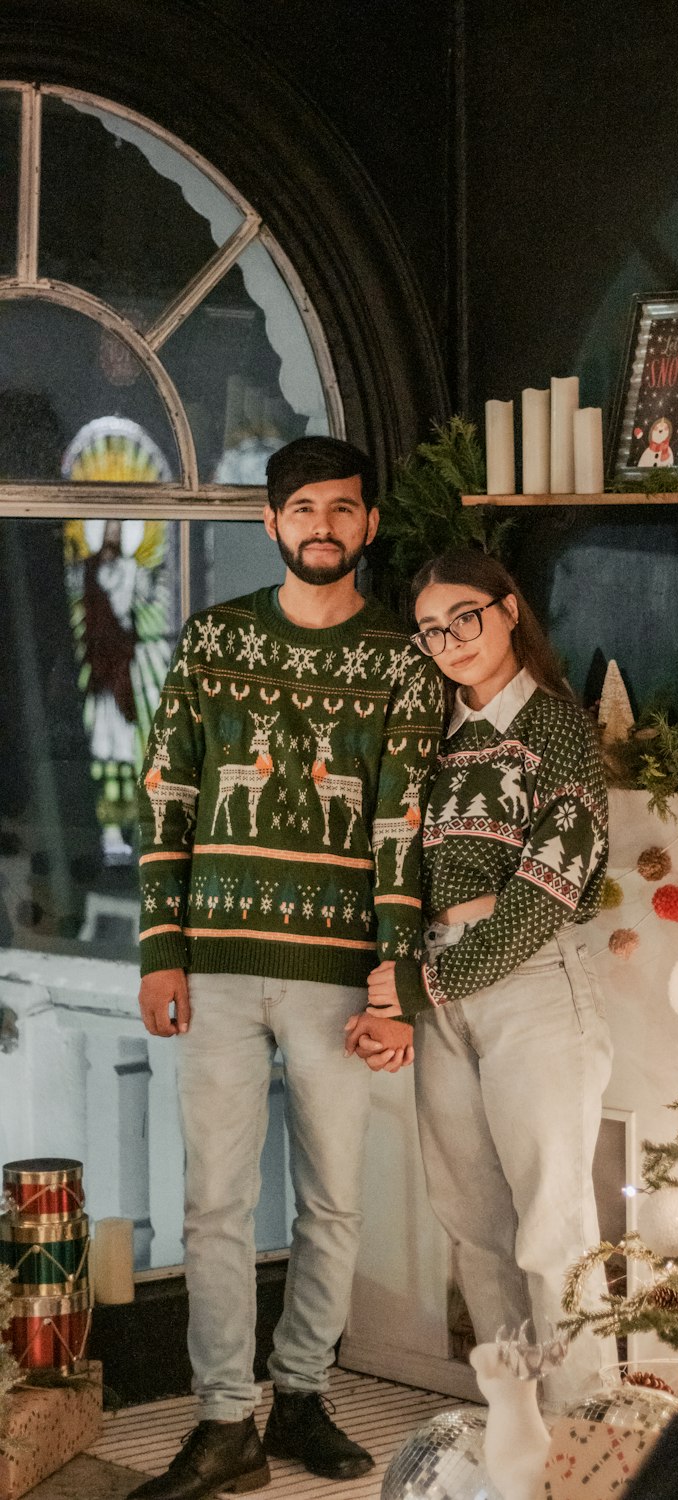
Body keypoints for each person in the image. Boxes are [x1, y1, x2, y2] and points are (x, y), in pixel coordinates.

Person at [131, 436, 443, 1500]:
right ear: (270, 523)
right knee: (212, 1206)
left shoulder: (402, 659)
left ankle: (302, 1392)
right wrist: (159, 952)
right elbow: (168, 798)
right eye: (302, 507)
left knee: (334, 1203)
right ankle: (226, 1422)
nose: (322, 525)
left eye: (342, 509)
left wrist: (389, 979)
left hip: (336, 973)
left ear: (367, 525)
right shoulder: (214, 641)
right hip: (213, 965)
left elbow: (402, 828)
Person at [346, 548, 616, 1408]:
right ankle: (515, 1427)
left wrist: (427, 986)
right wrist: (405, 984)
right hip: (441, 989)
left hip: (534, 986)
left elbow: (549, 889)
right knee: (473, 1229)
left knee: (554, 1228)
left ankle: (588, 1443)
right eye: (430, 631)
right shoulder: (429, 739)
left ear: (507, 611)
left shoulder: (555, 727)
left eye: (463, 617)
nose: (449, 640)